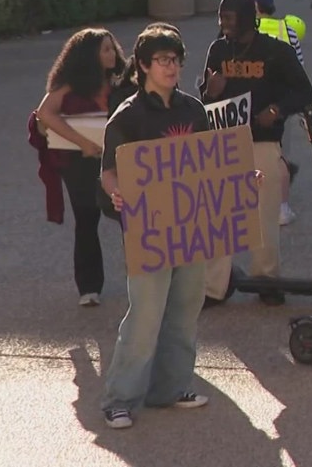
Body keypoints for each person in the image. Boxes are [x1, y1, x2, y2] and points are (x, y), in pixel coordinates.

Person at [98, 24, 221, 429]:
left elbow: (211, 162)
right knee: (146, 315)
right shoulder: (128, 115)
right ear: (143, 65)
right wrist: (117, 192)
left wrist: (240, 181)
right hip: (148, 230)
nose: (172, 67)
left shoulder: (193, 109)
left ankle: (171, 387)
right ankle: (119, 399)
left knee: (185, 309)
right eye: (163, 60)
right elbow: (109, 171)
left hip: (191, 225)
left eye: (176, 59)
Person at [199, 0, 312, 307]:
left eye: (229, 17)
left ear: (247, 18)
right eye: (221, 17)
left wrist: (277, 110)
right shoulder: (218, 50)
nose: (223, 23)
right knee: (219, 216)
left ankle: (266, 279)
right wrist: (210, 91)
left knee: (263, 215)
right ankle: (212, 287)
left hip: (262, 140)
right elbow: (205, 99)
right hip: (224, 142)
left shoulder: (276, 51)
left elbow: (304, 92)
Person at [34, 28, 126, 306]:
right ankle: (89, 287)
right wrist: (83, 142)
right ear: (89, 55)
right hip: (79, 162)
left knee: (130, 217)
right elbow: (45, 113)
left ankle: (142, 279)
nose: (112, 54)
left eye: (112, 47)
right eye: (105, 49)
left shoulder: (122, 82)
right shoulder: (70, 84)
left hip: (117, 160)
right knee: (86, 219)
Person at [248, 0, 308, 226]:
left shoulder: (244, 31)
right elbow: (299, 67)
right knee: (279, 155)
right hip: (280, 104)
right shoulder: (287, 30)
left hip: (249, 101)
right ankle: (281, 208)